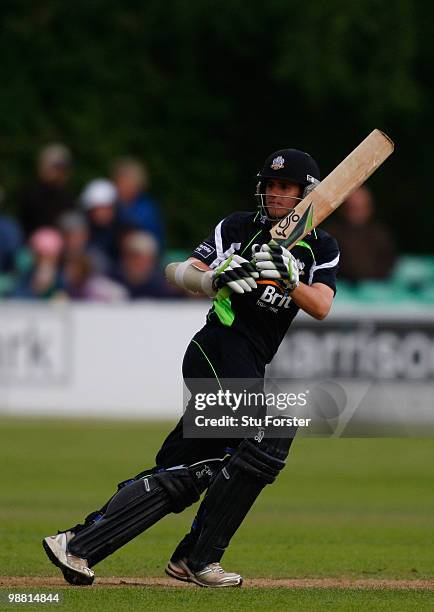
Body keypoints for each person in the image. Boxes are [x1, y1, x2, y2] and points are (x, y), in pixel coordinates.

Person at [42, 148, 339, 587]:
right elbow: (177, 270)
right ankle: (199, 558)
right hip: (215, 350)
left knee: (184, 470)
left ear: (305, 195)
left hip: (250, 360)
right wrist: (213, 278)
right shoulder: (238, 228)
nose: (275, 195)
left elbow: (321, 306)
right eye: (271, 186)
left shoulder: (322, 246)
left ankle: (78, 545)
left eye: (286, 188)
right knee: (269, 433)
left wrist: (291, 281)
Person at [324, 186, 396, 282]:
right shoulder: (330, 234)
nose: (356, 213)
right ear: (343, 208)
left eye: (361, 207)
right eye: (352, 207)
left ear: (369, 208)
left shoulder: (380, 234)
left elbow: (388, 263)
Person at [18, 144, 75, 237]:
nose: (61, 173)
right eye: (57, 168)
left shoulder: (67, 197)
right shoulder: (31, 194)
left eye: (64, 169)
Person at [112, 157, 165, 252]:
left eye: (123, 182)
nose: (118, 186)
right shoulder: (112, 202)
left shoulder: (147, 207)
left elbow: (153, 238)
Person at [112, 230, 181, 299]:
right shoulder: (111, 282)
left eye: (145, 259)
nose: (140, 263)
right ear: (125, 257)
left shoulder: (163, 285)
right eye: (135, 257)